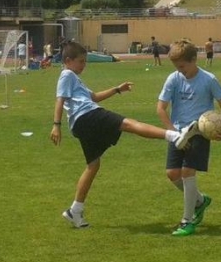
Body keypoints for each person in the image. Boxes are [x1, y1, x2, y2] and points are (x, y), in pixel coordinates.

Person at [50, 41, 198, 229]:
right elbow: (59, 99)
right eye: (81, 61)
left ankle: (75, 211)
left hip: (81, 123)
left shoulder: (73, 78)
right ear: (68, 61)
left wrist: (117, 89)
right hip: (87, 116)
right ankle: (174, 136)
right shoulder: (66, 74)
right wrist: (56, 124)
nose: (84, 65)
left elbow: (93, 97)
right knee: (128, 124)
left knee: (93, 165)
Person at [157, 39, 221, 236]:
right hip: (179, 133)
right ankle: (200, 201)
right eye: (176, 67)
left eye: (182, 66)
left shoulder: (208, 79)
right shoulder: (173, 79)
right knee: (172, 174)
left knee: (187, 172)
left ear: (194, 60)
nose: (180, 70)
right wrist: (172, 132)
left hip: (199, 132)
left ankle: (187, 221)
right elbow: (161, 108)